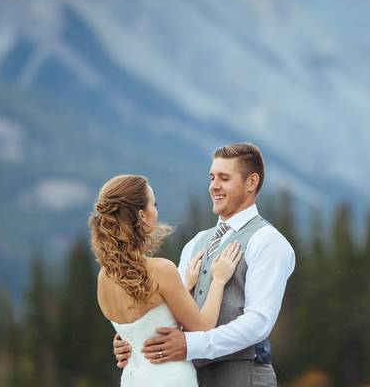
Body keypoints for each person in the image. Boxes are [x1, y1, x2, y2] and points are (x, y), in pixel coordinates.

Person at [114, 142, 295, 386]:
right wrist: (134, 339)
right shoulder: (196, 242)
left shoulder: (268, 241)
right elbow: (169, 308)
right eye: (212, 177)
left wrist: (191, 345)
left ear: (251, 182)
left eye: (224, 178)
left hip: (242, 376)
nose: (214, 186)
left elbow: (258, 322)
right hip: (190, 378)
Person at [91, 174, 244, 387]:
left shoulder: (104, 278)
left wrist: (186, 286)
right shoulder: (161, 270)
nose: (156, 210)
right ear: (143, 216)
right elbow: (204, 327)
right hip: (171, 378)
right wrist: (218, 281)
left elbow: (142, 323)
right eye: (154, 203)